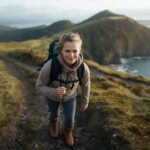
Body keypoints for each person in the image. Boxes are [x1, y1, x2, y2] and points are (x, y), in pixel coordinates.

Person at [36, 32, 90, 146]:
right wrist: (54, 92)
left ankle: (68, 131)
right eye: (67, 51)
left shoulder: (83, 68)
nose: (71, 55)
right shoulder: (50, 65)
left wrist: (85, 102)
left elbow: (86, 85)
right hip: (52, 97)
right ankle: (53, 125)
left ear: (80, 51)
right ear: (61, 51)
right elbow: (39, 86)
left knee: (70, 119)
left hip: (70, 97)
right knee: (53, 114)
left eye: (75, 51)